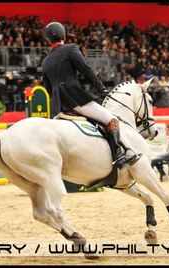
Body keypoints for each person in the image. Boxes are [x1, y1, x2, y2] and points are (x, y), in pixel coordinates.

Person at [41, 21, 141, 169]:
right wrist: (101, 88)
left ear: (48, 40)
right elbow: (86, 70)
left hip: (59, 107)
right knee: (111, 120)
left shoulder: (45, 61)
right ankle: (118, 155)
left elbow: (47, 88)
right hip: (75, 99)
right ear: (64, 35)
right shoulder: (70, 49)